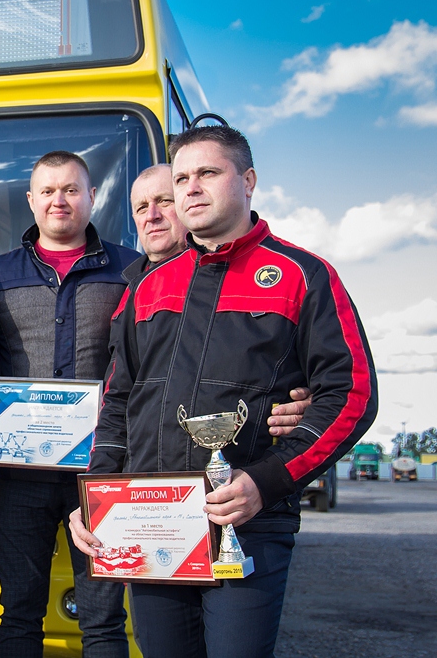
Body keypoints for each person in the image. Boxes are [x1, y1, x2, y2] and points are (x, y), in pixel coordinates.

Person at [69, 126, 378, 658]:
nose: (191, 188)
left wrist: (268, 481)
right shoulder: (147, 287)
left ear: (249, 180)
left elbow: (350, 394)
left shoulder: (302, 275)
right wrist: (95, 494)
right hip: (152, 516)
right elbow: (119, 402)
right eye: (183, 177)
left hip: (246, 519)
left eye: (208, 173)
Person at [0, 151, 138, 657]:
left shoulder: (132, 268)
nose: (58, 200)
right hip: (20, 473)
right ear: (31, 200)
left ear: (91, 197)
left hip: (101, 470)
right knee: (19, 612)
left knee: (104, 618)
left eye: (70, 189)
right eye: (47, 191)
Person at [128, 163, 311, 435]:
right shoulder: (130, 289)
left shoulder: (287, 274)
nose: (152, 216)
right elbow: (117, 396)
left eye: (164, 201)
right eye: (141, 208)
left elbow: (337, 386)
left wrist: (313, 410)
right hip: (144, 472)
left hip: (246, 471)